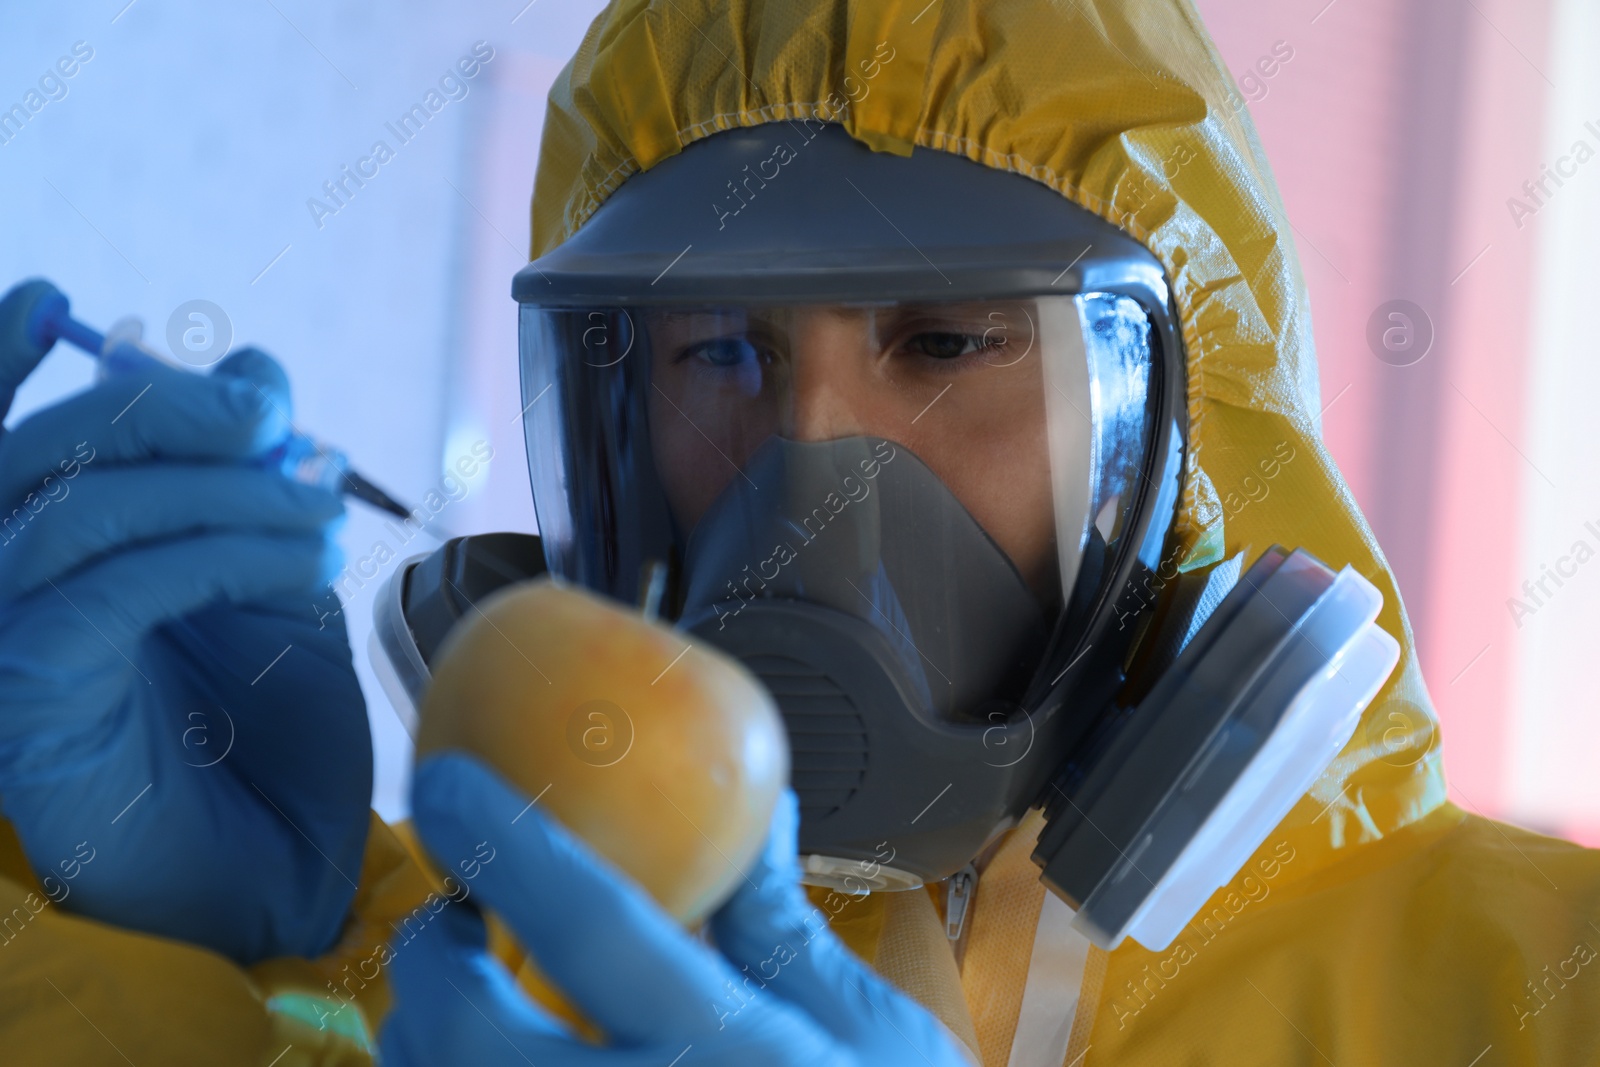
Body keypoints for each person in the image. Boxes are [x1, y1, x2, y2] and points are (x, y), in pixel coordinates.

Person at [2, 3, 1598, 1067]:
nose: (811, 460)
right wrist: (212, 949)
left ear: (1184, 443)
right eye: (722, 354)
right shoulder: (466, 979)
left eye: (948, 340)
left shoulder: (1537, 991)